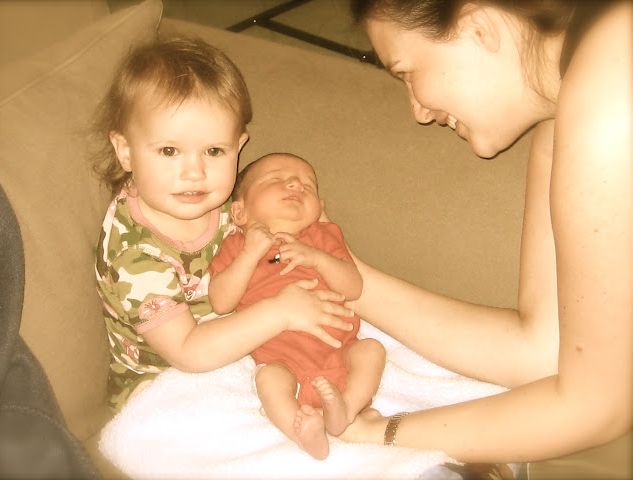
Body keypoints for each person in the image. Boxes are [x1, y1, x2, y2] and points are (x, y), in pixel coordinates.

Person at [340, 0, 632, 478]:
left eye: (407, 73)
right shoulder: (566, 109)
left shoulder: (612, 82)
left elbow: (599, 406)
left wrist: (380, 433)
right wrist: (349, 279)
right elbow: (542, 350)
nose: (418, 111)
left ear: (478, 27)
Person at [93, 37, 354, 413]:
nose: (195, 172)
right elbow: (188, 352)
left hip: (250, 347)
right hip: (166, 385)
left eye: (214, 151)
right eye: (169, 151)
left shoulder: (228, 202)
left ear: (239, 145)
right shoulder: (134, 255)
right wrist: (280, 311)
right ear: (126, 151)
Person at [208, 153, 386, 460]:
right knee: (268, 379)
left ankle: (346, 409)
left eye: (308, 185)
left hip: (340, 353)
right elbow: (221, 302)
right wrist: (250, 254)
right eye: (276, 179)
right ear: (239, 211)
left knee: (371, 350)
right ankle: (302, 431)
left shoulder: (323, 236)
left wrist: (317, 258)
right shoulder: (236, 245)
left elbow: (353, 287)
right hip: (283, 360)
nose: (295, 184)